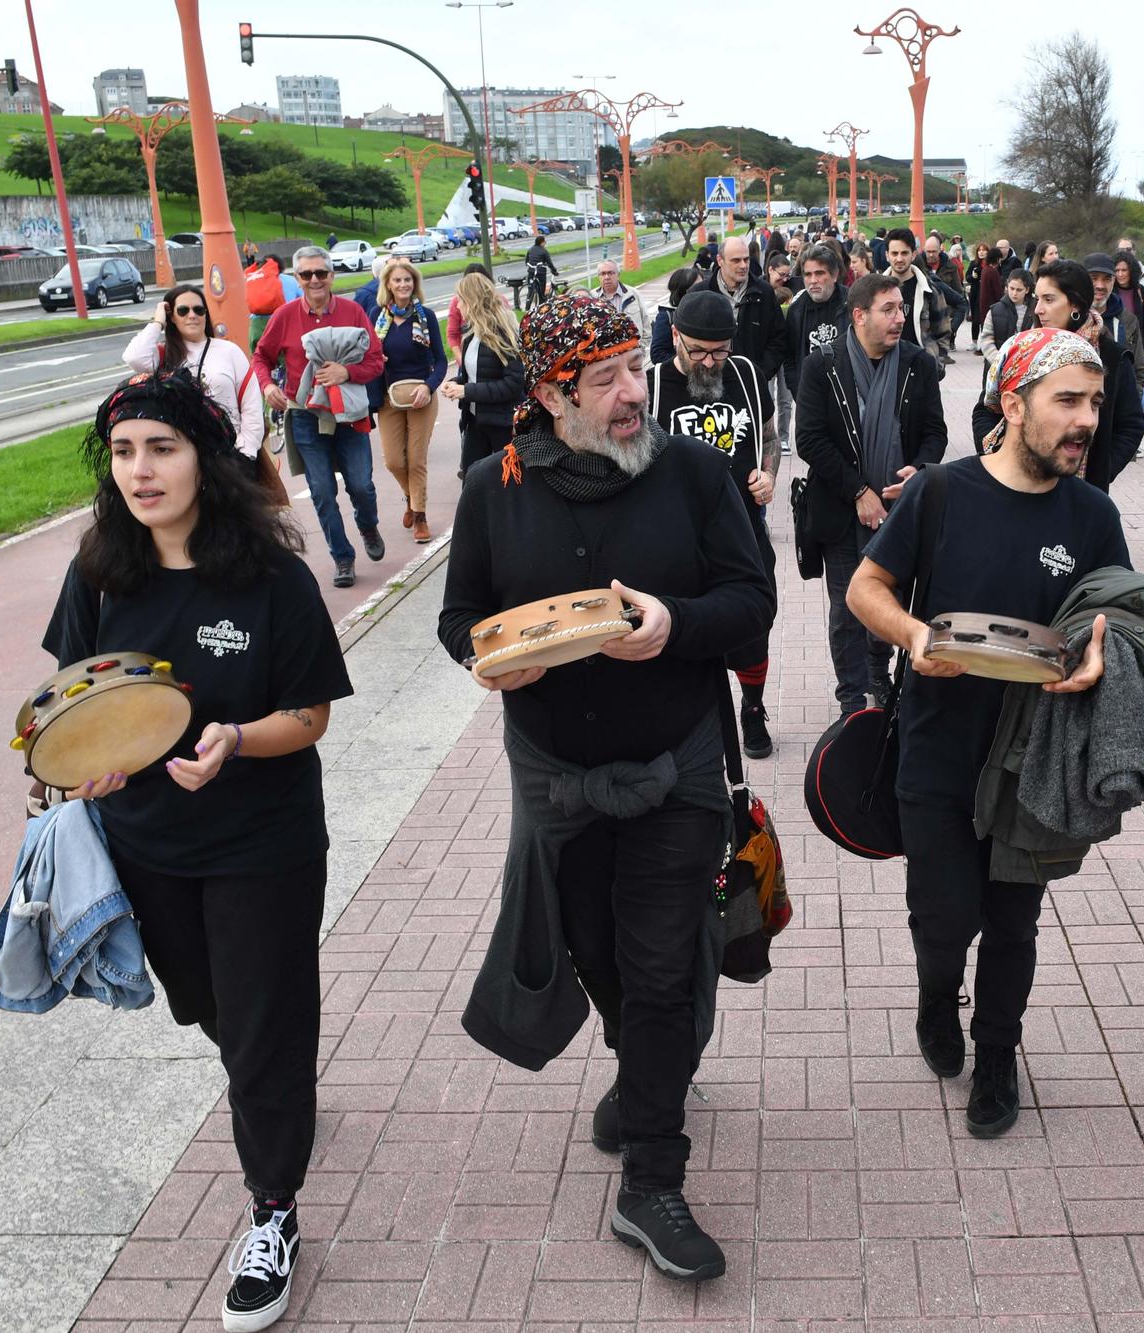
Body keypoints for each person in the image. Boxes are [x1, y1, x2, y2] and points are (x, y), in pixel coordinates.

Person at [438, 293, 774, 1284]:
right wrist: (489, 660)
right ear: (548, 395)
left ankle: (651, 1181)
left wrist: (673, 623)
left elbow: (750, 604)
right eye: (604, 379)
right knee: (602, 959)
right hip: (555, 779)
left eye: (635, 367)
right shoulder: (491, 490)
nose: (634, 394)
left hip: (675, 767)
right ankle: (646, 1071)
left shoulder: (694, 475)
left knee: (664, 960)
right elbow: (461, 617)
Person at [41, 372, 353, 1332]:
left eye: (162, 449)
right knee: (213, 1008)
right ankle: (278, 1081)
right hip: (146, 844)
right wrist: (78, 764)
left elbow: (308, 717)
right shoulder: (100, 569)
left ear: (205, 462)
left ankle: (271, 1210)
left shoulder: (270, 579)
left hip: (262, 842)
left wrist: (232, 740)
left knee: (261, 1023)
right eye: (126, 451)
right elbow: (74, 694)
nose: (142, 470)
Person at [847, 327, 1125, 1137]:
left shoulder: (1094, 514)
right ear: (1014, 402)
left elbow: (1119, 622)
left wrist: (1102, 659)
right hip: (935, 744)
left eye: (1095, 404)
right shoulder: (940, 492)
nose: (1085, 420)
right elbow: (868, 585)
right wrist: (911, 636)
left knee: (1013, 918)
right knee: (944, 916)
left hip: (1035, 759)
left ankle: (997, 1053)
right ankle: (939, 993)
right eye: (1067, 400)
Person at [795, 271, 948, 715]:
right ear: (859, 316)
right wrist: (859, 490)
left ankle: (879, 678)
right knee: (848, 609)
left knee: (889, 601)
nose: (900, 317)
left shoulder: (917, 364)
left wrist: (918, 472)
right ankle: (850, 697)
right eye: (889, 309)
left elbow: (935, 432)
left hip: (901, 510)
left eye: (901, 308)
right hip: (842, 512)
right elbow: (810, 439)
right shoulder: (822, 364)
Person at [646, 290, 780, 757]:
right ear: (676, 336)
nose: (709, 362)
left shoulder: (744, 374)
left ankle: (752, 707)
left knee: (753, 626)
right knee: (685, 631)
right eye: (698, 351)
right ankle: (695, 715)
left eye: (719, 351)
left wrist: (768, 474)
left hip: (743, 530)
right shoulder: (654, 386)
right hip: (680, 541)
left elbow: (768, 437)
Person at [251, 246, 386, 589]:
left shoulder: (353, 311)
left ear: (331, 276)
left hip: (349, 414)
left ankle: (367, 524)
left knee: (361, 485)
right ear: (296, 279)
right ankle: (342, 556)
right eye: (306, 275)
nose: (314, 280)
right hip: (306, 416)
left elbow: (376, 361)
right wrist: (267, 387)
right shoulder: (284, 316)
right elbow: (261, 358)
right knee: (323, 491)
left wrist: (347, 372)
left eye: (320, 273)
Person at [972, 260, 1142, 495]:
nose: (1038, 309)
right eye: (1037, 298)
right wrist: (998, 458)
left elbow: (1131, 425)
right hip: (1014, 484)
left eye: (1049, 300)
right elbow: (986, 408)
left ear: (1076, 304)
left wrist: (1101, 470)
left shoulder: (1112, 357)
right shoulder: (1024, 348)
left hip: (1080, 493)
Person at [124, 284, 265, 460]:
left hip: (231, 454)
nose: (192, 316)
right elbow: (134, 357)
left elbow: (251, 403)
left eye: (199, 310)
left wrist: (246, 452)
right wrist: (158, 321)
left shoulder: (229, 351)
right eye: (183, 310)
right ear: (172, 317)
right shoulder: (162, 356)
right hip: (183, 459)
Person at [366, 259, 448, 545]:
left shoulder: (425, 316)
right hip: (389, 397)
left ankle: (421, 516)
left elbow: (440, 359)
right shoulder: (377, 315)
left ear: (415, 284)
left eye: (408, 280)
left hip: (420, 396)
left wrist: (429, 386)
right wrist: (376, 358)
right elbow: (364, 356)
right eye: (398, 280)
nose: (403, 285)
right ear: (388, 284)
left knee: (416, 460)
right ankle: (412, 498)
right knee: (392, 460)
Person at [440, 272, 526, 479]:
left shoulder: (504, 334)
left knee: (507, 483)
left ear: (473, 301)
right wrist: (455, 383)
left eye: (460, 300)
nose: (457, 306)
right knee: (470, 481)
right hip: (475, 421)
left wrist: (466, 391)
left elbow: (514, 384)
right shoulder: (471, 333)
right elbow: (474, 375)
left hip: (502, 424)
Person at [695, 236, 788, 403]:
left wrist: (759, 372)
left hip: (754, 390)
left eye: (746, 259)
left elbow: (779, 338)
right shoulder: (699, 295)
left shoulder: (765, 293)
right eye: (736, 260)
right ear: (720, 260)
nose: (743, 265)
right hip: (709, 391)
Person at [785, 242, 849, 401]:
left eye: (819, 273)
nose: (813, 280)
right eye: (807, 274)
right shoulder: (796, 311)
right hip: (810, 398)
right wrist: (798, 393)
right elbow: (789, 358)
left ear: (834, 275)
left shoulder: (852, 304)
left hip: (847, 395)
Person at [882, 228, 948, 371]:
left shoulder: (930, 291)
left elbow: (943, 332)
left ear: (914, 254)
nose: (899, 259)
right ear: (887, 255)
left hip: (921, 367)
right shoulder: (875, 292)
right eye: (894, 253)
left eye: (904, 253)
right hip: (885, 367)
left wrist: (937, 363)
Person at [1113, 251, 1144, 409]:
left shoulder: (1139, 290)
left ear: (1131, 271)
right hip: (1115, 342)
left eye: (1124, 270)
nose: (1120, 274)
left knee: (1138, 394)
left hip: (1137, 346)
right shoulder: (1110, 291)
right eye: (1116, 270)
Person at [921, 233, 969, 359]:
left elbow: (958, 293)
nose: (931, 255)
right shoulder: (918, 266)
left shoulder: (950, 266)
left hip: (944, 312)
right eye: (928, 252)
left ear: (940, 250)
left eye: (934, 252)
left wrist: (952, 328)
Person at [650, 265, 698, 367]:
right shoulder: (667, 316)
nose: (703, 290)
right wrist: (687, 364)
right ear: (683, 291)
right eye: (697, 287)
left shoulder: (710, 313)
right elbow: (657, 354)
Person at [978, 269, 1031, 360]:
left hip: (1025, 365)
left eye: (1019, 290)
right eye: (1012, 288)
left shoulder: (1035, 310)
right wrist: (998, 360)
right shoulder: (995, 310)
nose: (1014, 293)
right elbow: (985, 339)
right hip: (997, 365)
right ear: (1007, 286)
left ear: (1027, 290)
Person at [446, 260, 494, 357]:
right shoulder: (457, 302)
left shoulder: (497, 301)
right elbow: (452, 334)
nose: (459, 306)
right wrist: (461, 360)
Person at [595, 257, 647, 338]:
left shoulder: (633, 294)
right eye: (603, 273)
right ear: (598, 276)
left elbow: (646, 322)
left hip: (634, 348)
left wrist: (641, 347)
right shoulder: (592, 298)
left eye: (610, 273)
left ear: (618, 275)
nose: (607, 277)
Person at [1115, 235, 1144, 306]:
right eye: (1121, 250)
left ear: (1134, 251)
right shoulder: (1111, 269)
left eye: (1128, 249)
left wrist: (1141, 304)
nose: (1125, 252)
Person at [969, 241, 1000, 343]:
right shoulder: (974, 264)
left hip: (985, 294)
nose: (981, 252)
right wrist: (974, 277)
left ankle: (982, 341)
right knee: (976, 319)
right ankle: (975, 340)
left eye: (984, 250)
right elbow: (968, 277)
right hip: (976, 293)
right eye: (979, 250)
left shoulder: (989, 268)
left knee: (984, 319)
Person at [525, 230, 558, 308]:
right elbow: (549, 263)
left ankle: (527, 306)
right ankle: (541, 305)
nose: (545, 243)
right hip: (540, 272)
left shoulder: (530, 249)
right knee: (541, 290)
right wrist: (554, 271)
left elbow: (526, 261)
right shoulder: (544, 251)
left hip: (531, 271)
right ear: (541, 242)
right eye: (545, 242)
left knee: (530, 289)